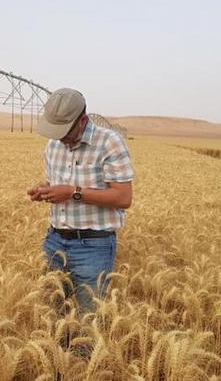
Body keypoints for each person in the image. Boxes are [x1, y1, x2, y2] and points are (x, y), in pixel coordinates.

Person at [27, 88, 134, 314]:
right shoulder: (54, 144)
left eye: (64, 131)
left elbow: (123, 197)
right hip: (54, 241)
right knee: (51, 314)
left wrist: (73, 192)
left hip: (93, 246)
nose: (60, 138)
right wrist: (44, 190)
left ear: (82, 120)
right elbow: (55, 181)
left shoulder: (109, 143)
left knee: (89, 320)